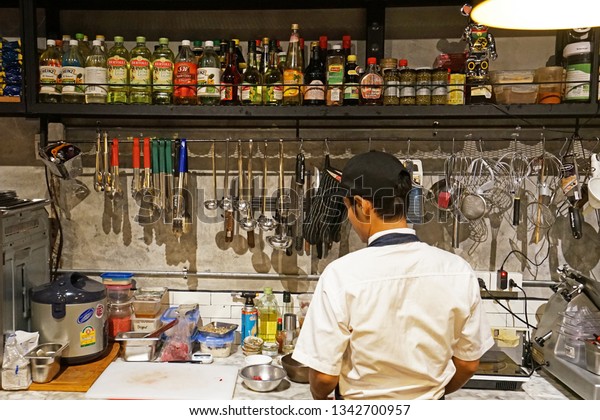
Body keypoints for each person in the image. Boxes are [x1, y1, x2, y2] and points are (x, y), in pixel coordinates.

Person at [292, 150, 494, 400]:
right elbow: (468, 363)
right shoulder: (458, 270)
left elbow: (323, 377)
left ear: (362, 206)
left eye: (348, 208)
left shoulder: (341, 275)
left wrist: (322, 400)